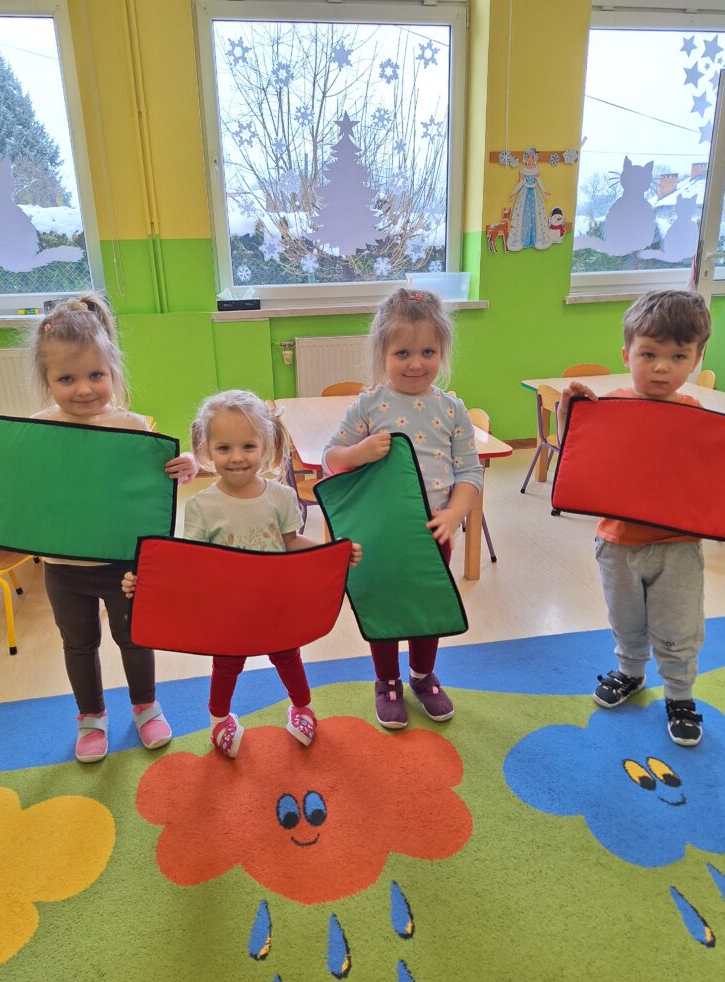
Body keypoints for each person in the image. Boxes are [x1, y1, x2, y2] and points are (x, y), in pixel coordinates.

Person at [0, 295, 197, 763]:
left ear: (113, 371)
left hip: (123, 565)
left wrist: (186, 464)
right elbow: (15, 483)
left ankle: (146, 706)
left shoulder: (133, 426)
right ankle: (91, 716)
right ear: (47, 380)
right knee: (78, 644)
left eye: (96, 375)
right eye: (66, 379)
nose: (84, 390)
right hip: (62, 566)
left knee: (135, 638)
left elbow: (155, 481)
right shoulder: (37, 430)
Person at [123, 389, 361, 758]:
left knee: (288, 655)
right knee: (227, 663)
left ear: (266, 445)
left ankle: (302, 708)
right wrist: (146, 582)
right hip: (228, 610)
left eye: (248, 446)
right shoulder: (202, 505)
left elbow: (291, 542)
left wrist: (333, 555)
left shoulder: (281, 497)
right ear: (206, 449)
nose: (237, 457)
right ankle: (219, 719)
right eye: (224, 448)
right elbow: (189, 563)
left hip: (275, 602)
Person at [322, 288, 483, 730]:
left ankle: (423, 676)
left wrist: (454, 515)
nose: (416, 363)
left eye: (428, 352)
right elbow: (330, 459)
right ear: (382, 354)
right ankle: (387, 681)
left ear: (442, 352)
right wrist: (358, 453)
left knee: (426, 606)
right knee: (384, 606)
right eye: (402, 353)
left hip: (433, 533)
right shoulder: (369, 405)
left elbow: (471, 472)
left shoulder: (452, 409)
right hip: (380, 534)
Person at [557, 289, 711, 746]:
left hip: (678, 545)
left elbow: (704, 476)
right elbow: (579, 459)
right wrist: (569, 412)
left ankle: (680, 695)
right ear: (627, 355)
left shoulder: (693, 413)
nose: (662, 367)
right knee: (625, 618)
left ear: (697, 359)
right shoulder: (612, 407)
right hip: (618, 541)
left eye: (678, 356)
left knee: (678, 624)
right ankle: (630, 671)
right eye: (649, 354)